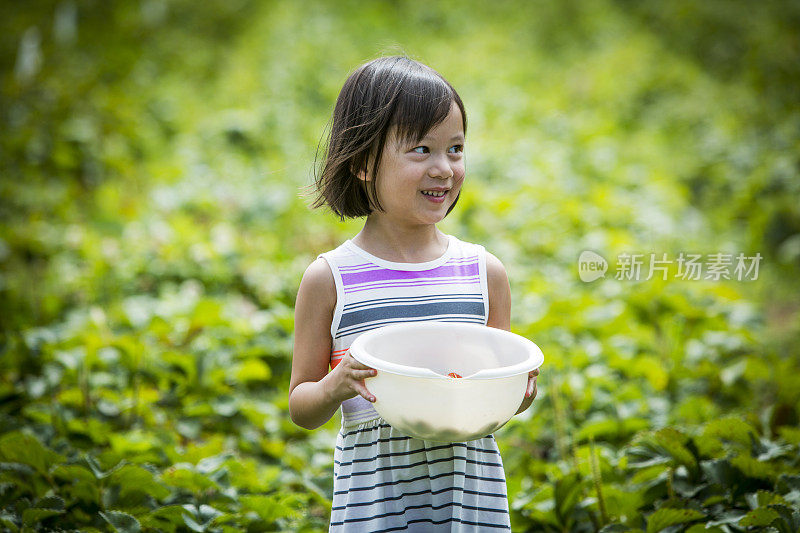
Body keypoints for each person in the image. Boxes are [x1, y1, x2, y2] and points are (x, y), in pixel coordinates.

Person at [289, 55, 539, 532]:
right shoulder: (331, 279)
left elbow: (497, 394)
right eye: (422, 150)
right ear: (363, 161)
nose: (444, 168)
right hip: (376, 505)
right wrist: (334, 385)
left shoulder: (484, 274)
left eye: (456, 149)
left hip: (466, 503)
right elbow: (301, 404)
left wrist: (517, 390)